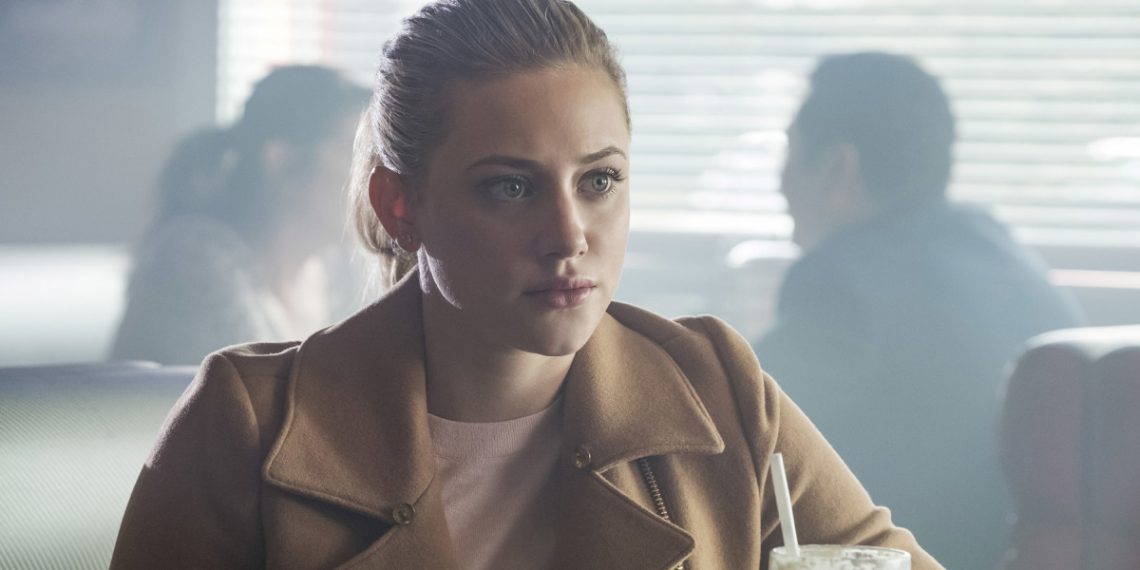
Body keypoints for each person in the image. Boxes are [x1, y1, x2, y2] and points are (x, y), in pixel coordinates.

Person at [110, 3, 942, 569]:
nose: (569, 234)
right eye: (510, 187)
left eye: (599, 180)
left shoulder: (716, 386)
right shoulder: (246, 425)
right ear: (402, 207)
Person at [754, 52, 1085, 569]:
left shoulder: (840, 283)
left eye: (791, 155)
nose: (780, 182)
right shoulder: (1004, 255)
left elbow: (739, 420)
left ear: (839, 168)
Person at [108, 65, 369, 365]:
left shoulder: (341, 271)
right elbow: (255, 392)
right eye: (359, 157)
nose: (379, 178)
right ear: (282, 161)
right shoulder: (193, 260)